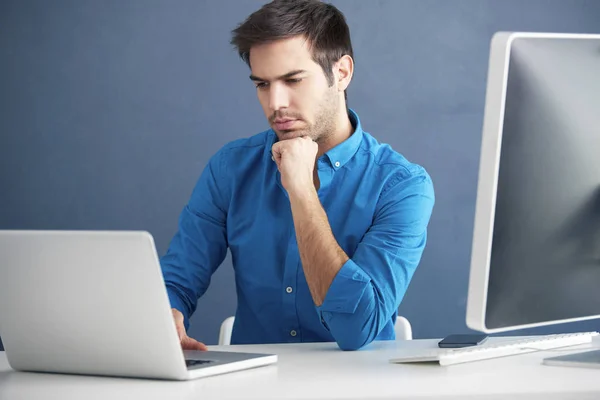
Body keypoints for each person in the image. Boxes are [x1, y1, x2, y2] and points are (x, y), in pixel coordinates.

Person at [160, 0, 435, 351]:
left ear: (342, 73)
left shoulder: (402, 186)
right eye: (262, 84)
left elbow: (356, 328)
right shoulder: (230, 169)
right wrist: (167, 311)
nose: (275, 103)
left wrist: (301, 189)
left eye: (293, 80)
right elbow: (179, 276)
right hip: (255, 383)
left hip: (359, 382)